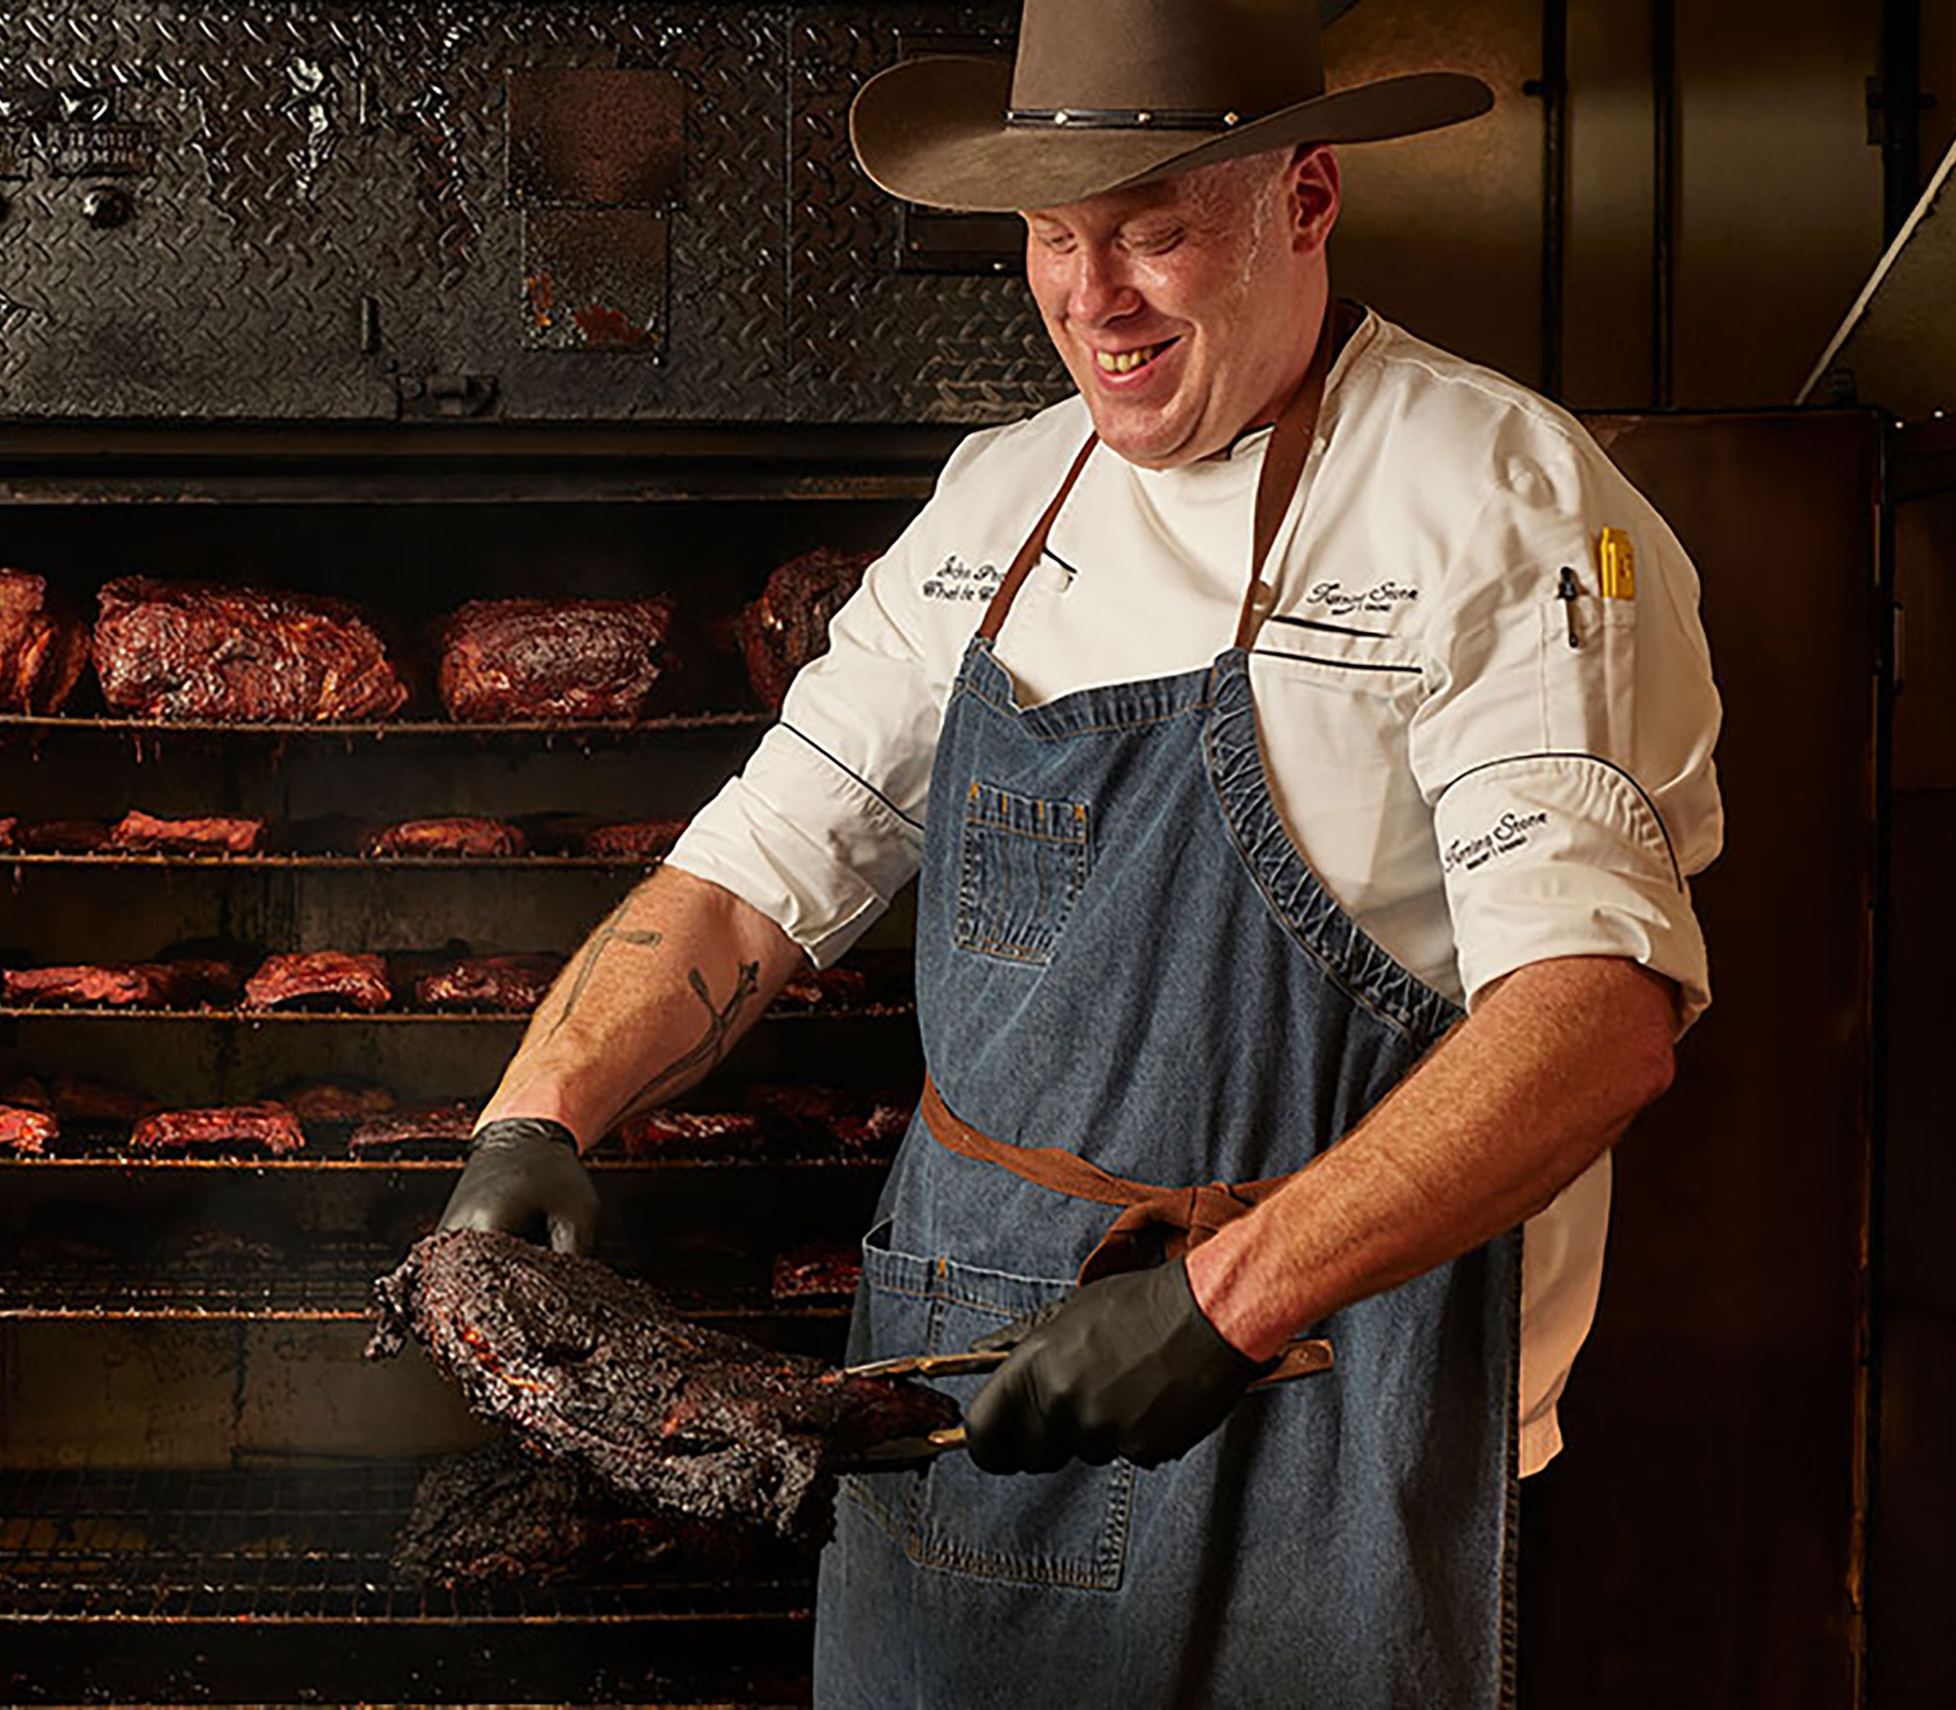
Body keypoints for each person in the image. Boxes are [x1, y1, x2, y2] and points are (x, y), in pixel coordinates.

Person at [436, 0, 1722, 1701]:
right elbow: (757, 862)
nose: (1091, 297)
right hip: (958, 1402)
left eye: (1155, 231)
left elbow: (1594, 1024)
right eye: (1053, 235)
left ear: (1306, 196)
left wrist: (1218, 1302)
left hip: (1320, 1416)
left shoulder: (1494, 503)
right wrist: (537, 1109)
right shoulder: (1000, 495)